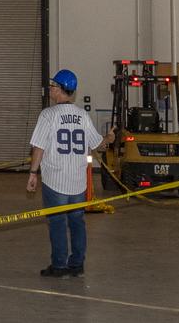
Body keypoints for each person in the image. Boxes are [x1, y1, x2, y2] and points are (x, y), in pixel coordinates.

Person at [27, 69, 115, 277]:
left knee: (57, 223)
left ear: (61, 90)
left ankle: (59, 265)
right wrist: (109, 138)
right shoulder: (82, 116)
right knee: (77, 222)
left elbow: (38, 147)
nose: (51, 89)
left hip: (55, 180)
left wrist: (32, 173)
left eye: (53, 86)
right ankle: (77, 264)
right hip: (77, 182)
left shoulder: (48, 115)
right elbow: (98, 144)